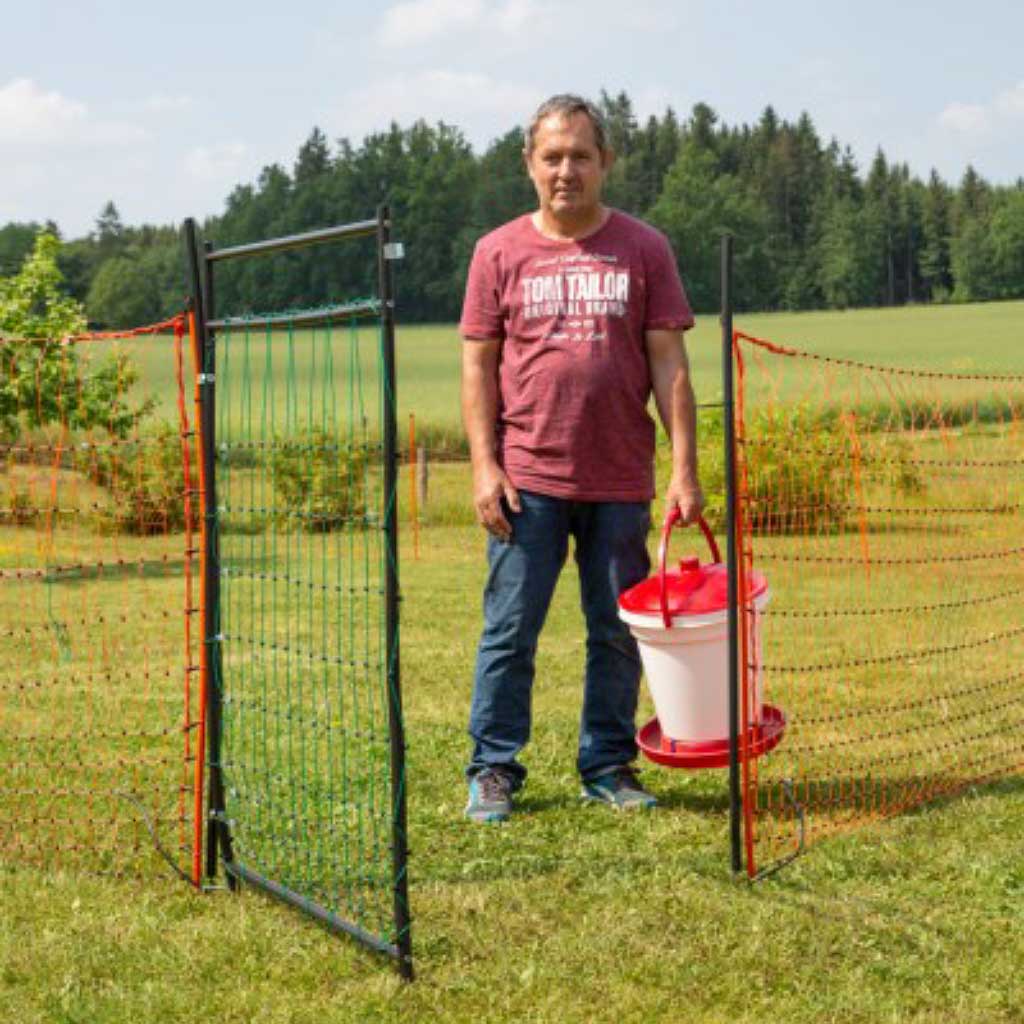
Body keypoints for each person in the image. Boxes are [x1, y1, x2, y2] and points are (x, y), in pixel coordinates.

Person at [459, 94, 704, 823]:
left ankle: (607, 764)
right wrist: (484, 465)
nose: (567, 170)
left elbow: (671, 365)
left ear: (606, 163)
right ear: (530, 165)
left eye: (581, 156)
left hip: (620, 478)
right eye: (552, 157)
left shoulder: (644, 248)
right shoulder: (497, 252)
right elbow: (477, 368)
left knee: (616, 631)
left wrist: (685, 469)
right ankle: (494, 768)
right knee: (510, 632)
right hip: (526, 480)